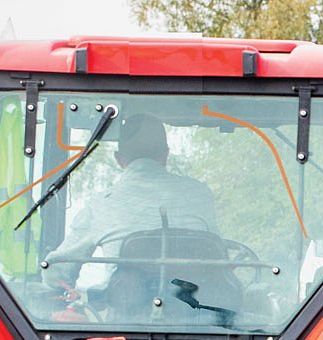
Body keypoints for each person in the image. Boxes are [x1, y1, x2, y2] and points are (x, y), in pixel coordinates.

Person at [44, 113, 217, 292]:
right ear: (165, 155)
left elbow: (56, 271)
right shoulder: (199, 194)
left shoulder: (102, 204)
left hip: (123, 314)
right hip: (198, 314)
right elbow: (216, 255)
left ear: (119, 159)